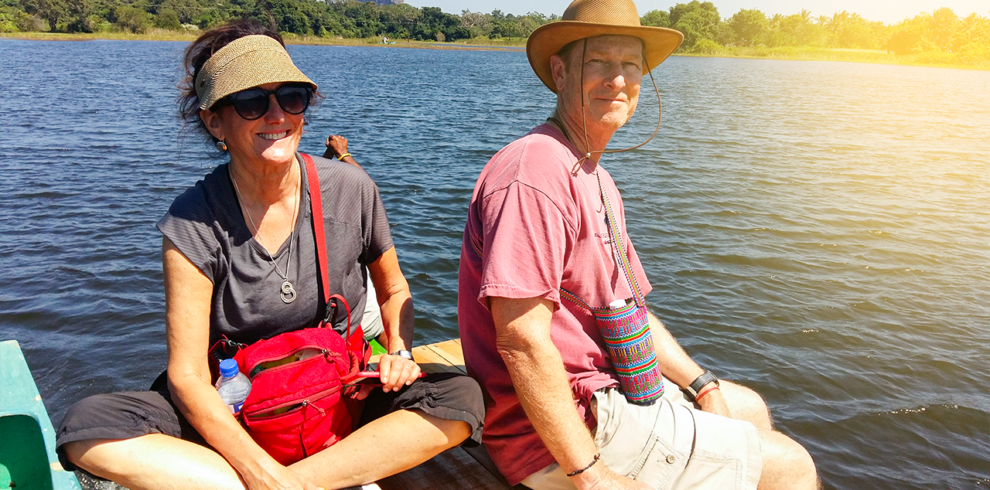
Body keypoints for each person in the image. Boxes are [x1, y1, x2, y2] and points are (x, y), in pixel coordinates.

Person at [56, 20, 483, 490]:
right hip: (240, 410)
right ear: (214, 120)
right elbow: (187, 375)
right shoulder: (193, 221)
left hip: (338, 393)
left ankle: (291, 482)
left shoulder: (350, 189)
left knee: (460, 399)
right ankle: (304, 478)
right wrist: (259, 471)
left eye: (291, 97)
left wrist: (399, 352)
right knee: (87, 431)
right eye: (252, 102)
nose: (277, 115)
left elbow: (394, 286)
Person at [457, 0, 818, 489]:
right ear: (560, 73)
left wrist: (701, 384)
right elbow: (522, 340)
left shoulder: (596, 178)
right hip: (551, 432)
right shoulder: (535, 171)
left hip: (606, 394)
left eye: (630, 65)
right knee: (791, 467)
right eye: (600, 63)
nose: (618, 80)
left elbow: (629, 308)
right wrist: (591, 475)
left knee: (745, 405)